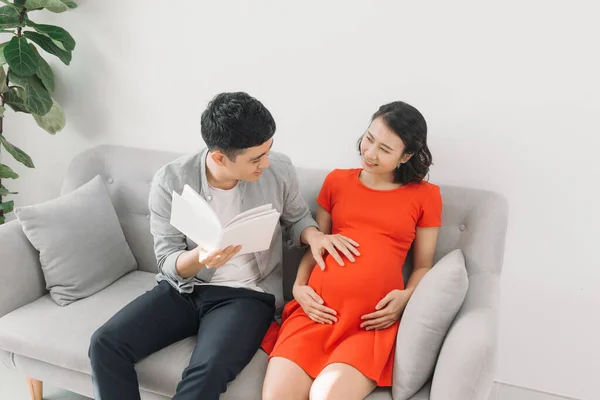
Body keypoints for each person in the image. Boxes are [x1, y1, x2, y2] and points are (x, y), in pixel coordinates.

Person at [88, 92, 354, 400]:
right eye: (256, 159)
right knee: (105, 343)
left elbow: (297, 219)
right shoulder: (171, 180)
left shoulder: (279, 170)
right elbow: (167, 261)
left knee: (208, 370)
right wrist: (200, 257)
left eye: (268, 151)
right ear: (218, 157)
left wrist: (315, 235)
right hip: (184, 289)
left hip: (246, 295)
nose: (265, 164)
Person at [262, 101, 443, 400]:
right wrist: (298, 287)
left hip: (368, 325)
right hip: (315, 314)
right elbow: (320, 243)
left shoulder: (426, 196)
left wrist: (405, 297)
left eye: (385, 149)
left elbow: (424, 265)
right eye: (369, 139)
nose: (370, 153)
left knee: (326, 396)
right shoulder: (336, 181)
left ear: (406, 156)